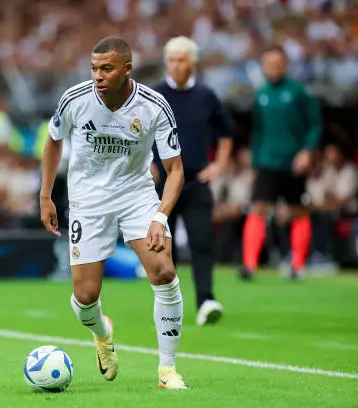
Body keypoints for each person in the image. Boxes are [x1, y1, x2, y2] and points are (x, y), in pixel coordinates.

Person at [40, 37, 188, 390]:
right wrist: (45, 195)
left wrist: (160, 217)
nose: (98, 76)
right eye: (94, 68)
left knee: (164, 272)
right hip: (88, 202)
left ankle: (168, 370)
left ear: (126, 68)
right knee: (86, 296)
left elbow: (176, 169)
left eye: (106, 68)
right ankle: (103, 334)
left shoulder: (154, 106)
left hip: (136, 196)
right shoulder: (75, 99)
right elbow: (53, 140)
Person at [151, 36, 235, 327]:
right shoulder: (155, 96)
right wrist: (146, 163)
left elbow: (226, 131)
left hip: (197, 179)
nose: (175, 65)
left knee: (201, 242)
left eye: (181, 59)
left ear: (193, 63)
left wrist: (220, 164)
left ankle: (205, 301)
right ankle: (166, 304)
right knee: (163, 247)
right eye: (171, 60)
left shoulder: (206, 96)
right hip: (163, 183)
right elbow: (138, 134)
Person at [240, 45, 322, 281]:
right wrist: (255, 163)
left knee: (298, 210)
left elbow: (315, 124)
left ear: (285, 65)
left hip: (293, 160)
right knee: (258, 207)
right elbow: (257, 132)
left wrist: (307, 151)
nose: (272, 69)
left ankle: (298, 266)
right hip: (267, 160)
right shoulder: (261, 94)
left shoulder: (299, 92)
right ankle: (249, 265)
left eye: (276, 64)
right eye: (268, 65)